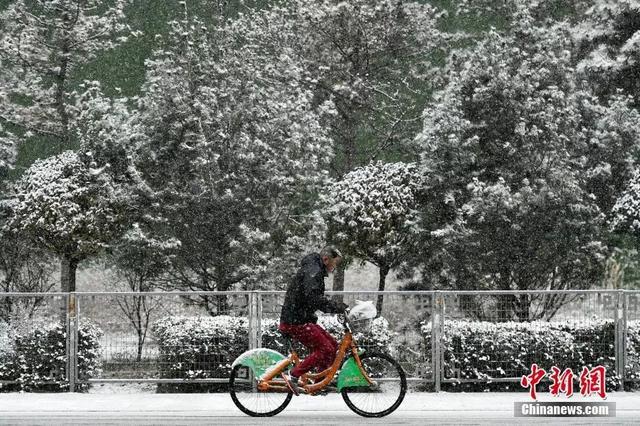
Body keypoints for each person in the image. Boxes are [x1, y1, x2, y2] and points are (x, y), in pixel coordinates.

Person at [278, 246, 349, 395]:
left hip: (301, 318)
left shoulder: (314, 269)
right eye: (334, 264)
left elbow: (313, 298)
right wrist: (337, 307)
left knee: (332, 344)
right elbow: (314, 299)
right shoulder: (314, 271)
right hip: (295, 321)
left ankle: (318, 384)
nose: (334, 268)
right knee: (325, 349)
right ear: (326, 259)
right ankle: (293, 375)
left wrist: (335, 307)